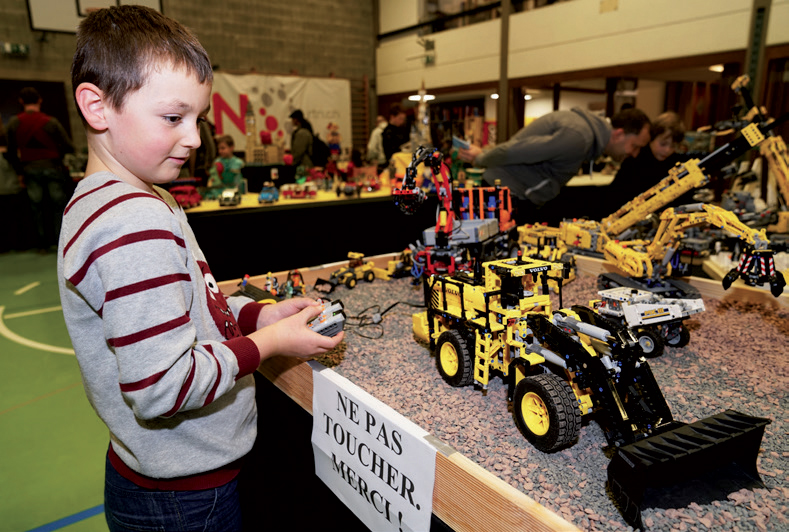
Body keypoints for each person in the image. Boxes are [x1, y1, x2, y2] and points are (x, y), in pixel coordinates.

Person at [60, 6, 343, 532]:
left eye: (198, 120)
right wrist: (272, 344)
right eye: (173, 118)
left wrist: (260, 314)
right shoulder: (132, 221)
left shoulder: (137, 198)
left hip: (162, 475)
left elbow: (196, 306)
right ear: (97, 107)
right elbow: (161, 385)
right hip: (183, 500)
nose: (193, 138)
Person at [458, 107, 651, 221]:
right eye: (634, 146)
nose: (633, 154)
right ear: (618, 134)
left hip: (513, 194)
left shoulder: (584, 134)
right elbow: (518, 150)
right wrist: (481, 158)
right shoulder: (579, 137)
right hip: (508, 196)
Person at [5, 86, 74, 251]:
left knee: (36, 209)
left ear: (21, 102)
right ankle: (60, 244)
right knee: (58, 206)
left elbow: (11, 151)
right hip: (52, 167)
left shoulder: (14, 122)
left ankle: (42, 245)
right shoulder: (50, 121)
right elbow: (67, 146)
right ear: (40, 100)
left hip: (29, 169)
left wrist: (19, 172)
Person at [606, 111, 687, 211]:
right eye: (663, 144)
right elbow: (615, 196)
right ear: (651, 138)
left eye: (673, 146)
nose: (667, 150)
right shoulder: (635, 159)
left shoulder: (675, 163)